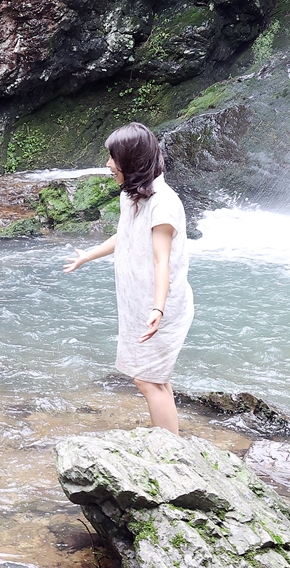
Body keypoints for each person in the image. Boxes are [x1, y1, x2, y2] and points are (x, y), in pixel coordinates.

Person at [63, 122, 194, 434]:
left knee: (147, 379)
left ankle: (168, 449)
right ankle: (170, 443)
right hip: (140, 304)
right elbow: (125, 235)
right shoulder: (133, 196)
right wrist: (88, 255)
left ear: (132, 161)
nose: (109, 164)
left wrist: (158, 309)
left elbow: (162, 261)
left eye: (114, 158)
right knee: (155, 378)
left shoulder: (163, 204)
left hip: (161, 307)